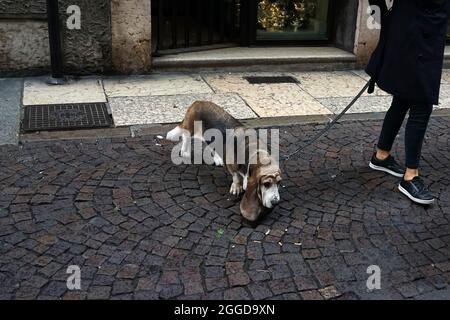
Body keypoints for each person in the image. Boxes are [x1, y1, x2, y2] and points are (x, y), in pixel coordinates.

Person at [366, 0, 450, 205]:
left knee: (403, 98)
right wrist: (382, 21)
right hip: (411, 32)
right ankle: (410, 176)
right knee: (422, 103)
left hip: (429, 30)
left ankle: (382, 155)